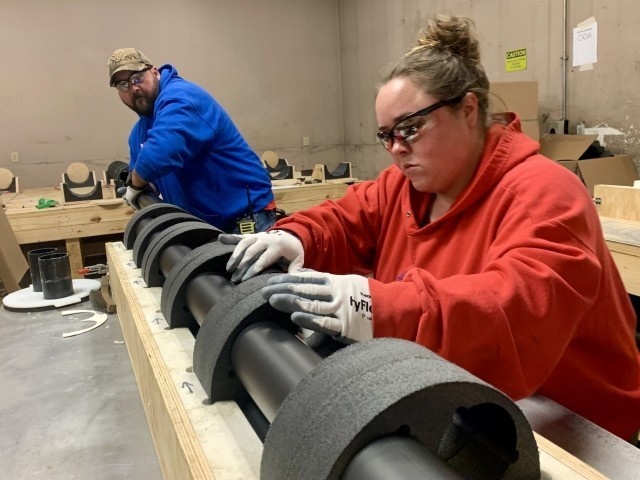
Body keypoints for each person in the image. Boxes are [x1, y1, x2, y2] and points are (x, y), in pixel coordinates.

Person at [219, 15, 640, 441]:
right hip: (464, 393)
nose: (397, 150)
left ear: (469, 110)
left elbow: (511, 310)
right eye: (387, 135)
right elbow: (346, 218)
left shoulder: (545, 194)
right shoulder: (407, 186)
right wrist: (295, 238)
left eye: (411, 128)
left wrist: (374, 306)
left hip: (572, 423)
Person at [107, 48, 276, 233]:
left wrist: (135, 185)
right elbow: (144, 178)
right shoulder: (138, 135)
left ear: (154, 72)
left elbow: (161, 152)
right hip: (202, 225)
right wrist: (141, 192)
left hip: (246, 217)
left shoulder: (182, 96)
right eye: (123, 85)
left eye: (137, 78)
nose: (133, 88)